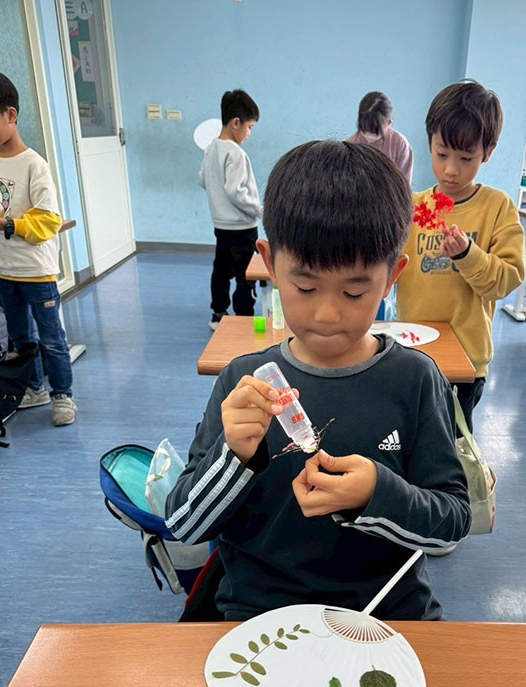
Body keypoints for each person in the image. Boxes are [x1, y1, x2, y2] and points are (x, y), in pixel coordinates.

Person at [167, 140, 471, 622]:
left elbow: (452, 524)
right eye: (305, 287)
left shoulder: (414, 379)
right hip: (262, 615)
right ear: (270, 264)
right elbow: (184, 525)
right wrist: (235, 457)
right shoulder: (242, 381)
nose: (328, 314)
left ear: (392, 276)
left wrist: (378, 494)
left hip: (385, 612)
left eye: (354, 291)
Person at [396, 79, 525, 432]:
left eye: (466, 158)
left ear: (489, 152)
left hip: (465, 359)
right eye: (441, 154)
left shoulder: (497, 207)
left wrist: (468, 254)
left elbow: (505, 281)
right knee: (409, 437)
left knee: (454, 442)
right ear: (430, 143)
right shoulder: (414, 207)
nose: (451, 169)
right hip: (413, 354)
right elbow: (386, 267)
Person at [0, 72, 76, 426]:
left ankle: (63, 395)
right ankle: (34, 387)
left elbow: (47, 222)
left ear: (11, 115)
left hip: (36, 272)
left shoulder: (34, 165)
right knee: (20, 339)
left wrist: (5, 224)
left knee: (51, 338)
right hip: (4, 269)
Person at [200, 88, 262, 331]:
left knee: (221, 270)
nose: (249, 133)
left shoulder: (211, 148)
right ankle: (244, 320)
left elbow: (202, 179)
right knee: (246, 276)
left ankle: (218, 315)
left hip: (221, 225)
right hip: (243, 227)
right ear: (236, 123)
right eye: (250, 127)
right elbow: (236, 191)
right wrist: (259, 210)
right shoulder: (235, 153)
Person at [347, 91, 413, 184]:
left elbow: (405, 184)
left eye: (376, 132)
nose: (370, 136)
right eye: (365, 129)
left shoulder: (400, 144)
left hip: (392, 192)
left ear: (389, 123)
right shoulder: (351, 146)